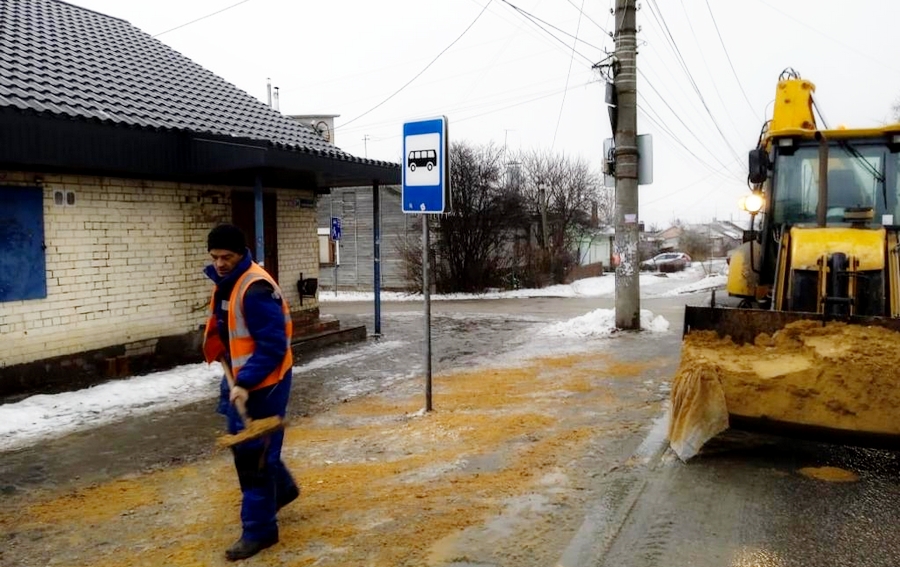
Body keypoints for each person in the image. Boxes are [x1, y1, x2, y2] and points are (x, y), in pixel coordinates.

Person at [202, 223, 300, 561]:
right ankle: (283, 490)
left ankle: (261, 531)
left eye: (226, 257)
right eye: (215, 257)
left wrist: (245, 384)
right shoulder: (228, 282)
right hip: (241, 377)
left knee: (254, 459)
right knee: (248, 443)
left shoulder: (255, 288)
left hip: (265, 383)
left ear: (241, 253)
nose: (220, 263)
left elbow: (273, 345)